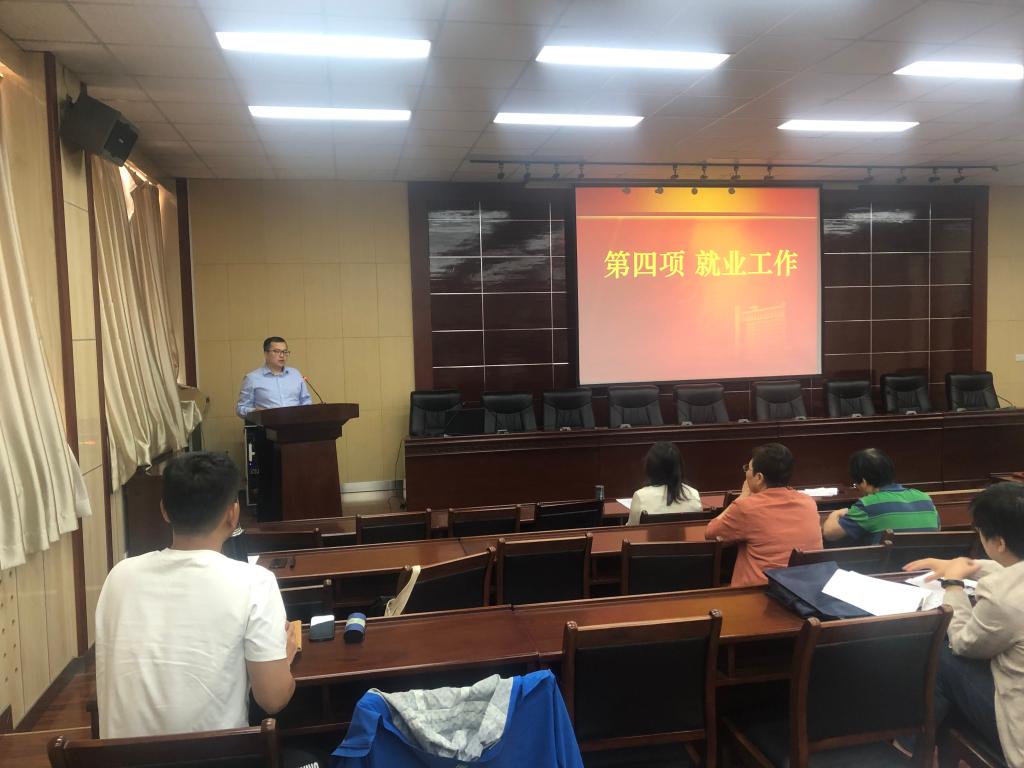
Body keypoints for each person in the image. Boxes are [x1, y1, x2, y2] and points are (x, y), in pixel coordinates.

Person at [95, 452, 300, 743]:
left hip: (119, 759)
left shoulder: (119, 577)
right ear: (233, 514)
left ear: (165, 511)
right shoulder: (255, 582)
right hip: (215, 758)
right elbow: (273, 699)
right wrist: (284, 658)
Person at [902, 482, 1024, 766]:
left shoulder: (1001, 594)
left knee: (942, 654)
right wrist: (966, 565)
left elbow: (964, 643)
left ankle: (913, 746)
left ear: (999, 542)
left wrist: (953, 584)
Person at [705, 443, 822, 587]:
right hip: (806, 589)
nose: (746, 473)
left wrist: (743, 496)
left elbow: (711, 535)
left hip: (762, 592)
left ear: (759, 477)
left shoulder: (746, 507)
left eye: (748, 469)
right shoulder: (808, 502)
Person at [822, 448, 939, 544]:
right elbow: (937, 530)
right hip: (929, 564)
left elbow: (829, 534)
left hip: (891, 566)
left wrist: (836, 514)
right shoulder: (924, 498)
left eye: (855, 484)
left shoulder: (869, 504)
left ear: (864, 482)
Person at [236, 336, 313, 418]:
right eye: (277, 351)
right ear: (266, 354)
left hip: (296, 423)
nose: (282, 355)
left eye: (285, 352)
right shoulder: (252, 378)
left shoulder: (295, 374)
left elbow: (306, 401)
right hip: (268, 424)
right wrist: (255, 412)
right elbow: (241, 408)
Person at [627, 441, 702, 525]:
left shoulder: (640, 497)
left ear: (650, 466)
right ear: (679, 466)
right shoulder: (694, 494)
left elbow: (631, 530)